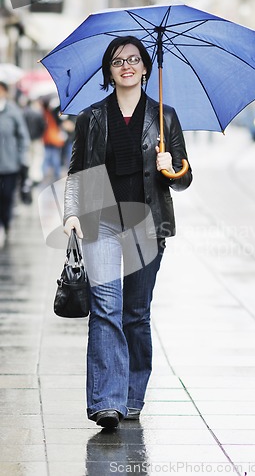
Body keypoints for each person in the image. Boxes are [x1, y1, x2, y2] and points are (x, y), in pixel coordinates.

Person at [63, 36, 192, 429]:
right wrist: (71, 214)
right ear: (109, 71)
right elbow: (76, 172)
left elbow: (185, 180)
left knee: (136, 313)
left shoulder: (165, 117)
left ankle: (132, 396)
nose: (127, 66)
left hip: (147, 223)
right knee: (105, 309)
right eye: (118, 61)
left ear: (146, 68)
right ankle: (107, 401)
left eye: (134, 59)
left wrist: (172, 166)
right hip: (100, 219)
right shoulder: (91, 117)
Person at [0, 81, 31, 247]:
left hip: (10, 163)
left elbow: (23, 136)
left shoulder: (13, 111)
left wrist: (22, 157)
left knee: (7, 196)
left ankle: (6, 223)